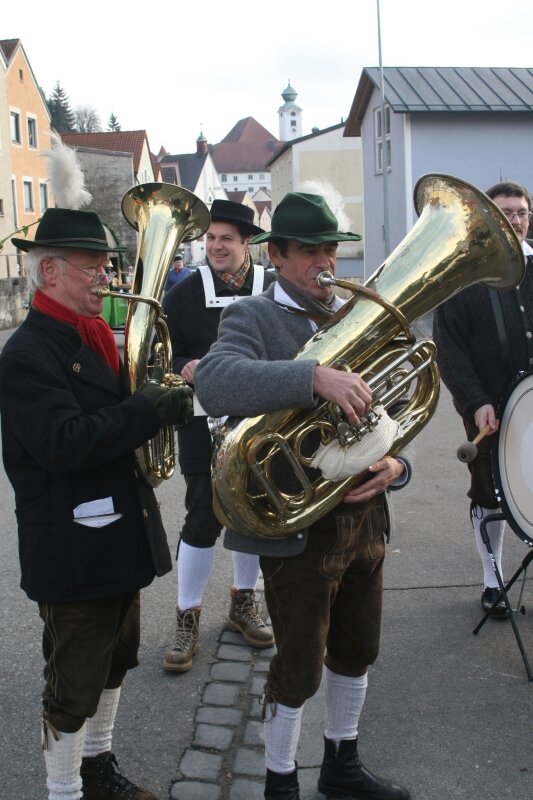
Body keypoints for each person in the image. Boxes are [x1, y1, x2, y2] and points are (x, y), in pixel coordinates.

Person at [195, 192, 412, 800]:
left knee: (357, 649)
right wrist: (311, 376)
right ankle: (280, 781)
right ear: (279, 256)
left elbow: (397, 403)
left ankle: (342, 766)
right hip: (298, 527)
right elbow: (214, 381)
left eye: (331, 249)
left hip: (364, 518)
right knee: (298, 666)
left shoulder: (356, 312)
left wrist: (397, 463)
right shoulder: (253, 315)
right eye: (311, 251)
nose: (325, 262)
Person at [0, 207, 193, 800]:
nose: (106, 279)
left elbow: (116, 417)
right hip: (73, 545)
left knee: (116, 661)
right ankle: (64, 790)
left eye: (108, 267)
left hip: (118, 532)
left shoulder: (94, 336)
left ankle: (97, 768)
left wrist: (165, 393)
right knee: (73, 683)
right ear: (50, 272)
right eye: (94, 268)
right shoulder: (27, 354)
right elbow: (63, 443)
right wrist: (146, 410)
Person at [161, 199, 276, 673]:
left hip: (265, 423)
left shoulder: (272, 288)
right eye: (210, 238)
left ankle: (243, 601)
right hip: (201, 421)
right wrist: (181, 365)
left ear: (248, 242)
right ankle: (187, 615)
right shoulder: (183, 294)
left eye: (226, 238)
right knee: (202, 516)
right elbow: (159, 356)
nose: (216, 246)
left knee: (254, 514)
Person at [433, 180, 533, 619]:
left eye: (522, 212)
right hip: (489, 409)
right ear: (490, 218)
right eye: (506, 212)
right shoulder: (464, 275)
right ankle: (493, 581)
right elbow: (450, 349)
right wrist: (474, 401)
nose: (515, 220)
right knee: (490, 495)